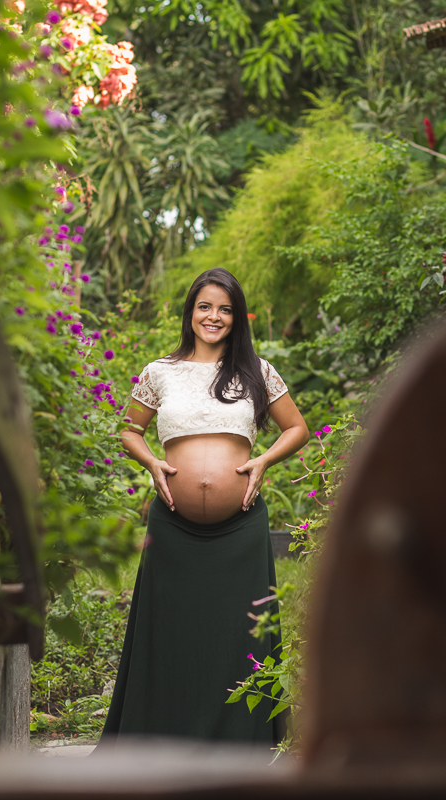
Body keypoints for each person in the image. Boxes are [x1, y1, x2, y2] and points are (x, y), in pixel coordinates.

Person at [99, 268, 309, 746]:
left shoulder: (257, 370)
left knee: (241, 635)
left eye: (225, 309)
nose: (214, 316)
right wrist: (152, 463)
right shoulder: (160, 372)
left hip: (241, 530)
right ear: (190, 312)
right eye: (205, 306)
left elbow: (296, 428)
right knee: (171, 635)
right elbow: (129, 429)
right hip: (174, 528)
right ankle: (164, 743)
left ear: (236, 317)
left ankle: (240, 744)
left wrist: (263, 461)